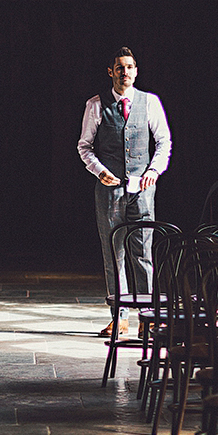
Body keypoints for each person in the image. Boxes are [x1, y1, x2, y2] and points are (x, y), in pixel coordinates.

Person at [77, 47, 171, 336]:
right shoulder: (96, 104)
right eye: (120, 67)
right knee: (113, 253)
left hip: (142, 191)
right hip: (109, 191)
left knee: (143, 253)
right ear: (111, 72)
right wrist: (100, 170)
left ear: (136, 71)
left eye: (130, 67)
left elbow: (164, 141)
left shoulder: (149, 103)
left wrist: (153, 171)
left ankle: (148, 317)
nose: (125, 72)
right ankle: (119, 318)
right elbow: (84, 146)